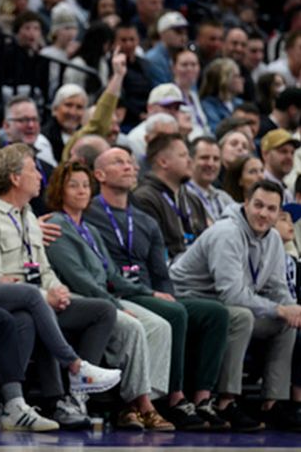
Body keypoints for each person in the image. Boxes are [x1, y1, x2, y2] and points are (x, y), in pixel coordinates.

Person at [0, 144, 122, 429]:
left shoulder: (28, 215)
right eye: (32, 170)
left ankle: (75, 398)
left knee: (101, 310)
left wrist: (57, 290)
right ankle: (68, 379)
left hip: (39, 298)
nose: (41, 175)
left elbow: (44, 268)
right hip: (6, 300)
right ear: (15, 178)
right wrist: (43, 296)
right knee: (31, 313)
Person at [87, 147, 231, 430]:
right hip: (119, 292)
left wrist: (165, 293)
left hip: (149, 291)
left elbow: (160, 274)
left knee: (215, 312)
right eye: (119, 162)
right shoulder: (89, 212)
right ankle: (175, 398)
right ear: (99, 174)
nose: (129, 167)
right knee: (173, 312)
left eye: (131, 162)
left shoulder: (144, 220)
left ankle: (203, 397)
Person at [44, 161, 175, 431]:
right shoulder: (58, 225)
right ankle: (140, 406)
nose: (81, 190)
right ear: (60, 190)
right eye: (73, 185)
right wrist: (116, 305)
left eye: (84, 184)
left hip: (105, 295)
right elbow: (78, 278)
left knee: (160, 326)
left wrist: (149, 292)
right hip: (82, 298)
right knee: (133, 326)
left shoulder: (89, 229)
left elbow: (113, 275)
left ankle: (143, 400)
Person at [171, 179, 301, 430]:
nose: (263, 213)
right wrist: (280, 309)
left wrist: (293, 310)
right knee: (242, 316)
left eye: (271, 209)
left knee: (286, 323)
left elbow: (277, 288)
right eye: (258, 205)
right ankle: (225, 401)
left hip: (224, 303)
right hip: (191, 300)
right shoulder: (227, 233)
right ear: (246, 203)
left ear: (279, 213)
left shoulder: (273, 239)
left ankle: (273, 403)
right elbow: (232, 295)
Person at [132, 133, 209, 262]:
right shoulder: (144, 199)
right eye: (183, 155)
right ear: (163, 162)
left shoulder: (193, 200)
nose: (190, 161)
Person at [186, 136, 235, 221]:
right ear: (190, 161)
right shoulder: (183, 196)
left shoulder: (224, 197)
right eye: (204, 158)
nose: (211, 164)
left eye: (216, 159)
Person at [201, 58, 245, 134]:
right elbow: (217, 131)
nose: (242, 80)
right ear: (225, 80)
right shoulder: (208, 105)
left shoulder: (239, 103)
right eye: (236, 76)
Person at [145, 11, 189, 86]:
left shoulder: (185, 55)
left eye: (185, 32)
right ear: (162, 33)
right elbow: (164, 90)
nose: (183, 36)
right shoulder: (153, 59)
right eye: (178, 31)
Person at [261, 129, 298, 204]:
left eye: (292, 153)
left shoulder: (287, 190)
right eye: (283, 151)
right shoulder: (258, 185)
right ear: (265, 154)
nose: (289, 157)